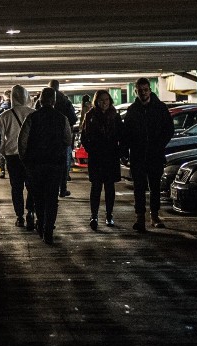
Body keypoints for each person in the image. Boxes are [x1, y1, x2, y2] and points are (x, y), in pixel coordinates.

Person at [19, 87, 72, 245]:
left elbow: (22, 141)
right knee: (51, 198)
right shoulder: (62, 118)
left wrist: (25, 160)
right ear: (54, 101)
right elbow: (68, 140)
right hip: (55, 164)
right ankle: (48, 230)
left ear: (40, 101)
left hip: (35, 164)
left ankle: (41, 225)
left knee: (38, 197)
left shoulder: (32, 117)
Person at [123, 77, 174, 231]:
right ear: (135, 91)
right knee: (138, 187)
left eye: (145, 90)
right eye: (140, 90)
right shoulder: (132, 111)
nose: (143, 93)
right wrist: (125, 152)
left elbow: (168, 130)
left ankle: (154, 215)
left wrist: (159, 145)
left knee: (155, 187)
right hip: (138, 155)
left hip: (155, 155)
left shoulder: (160, 108)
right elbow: (126, 134)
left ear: (150, 90)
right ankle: (140, 217)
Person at [81, 90, 124, 230]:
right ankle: (94, 215)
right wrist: (91, 149)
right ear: (96, 101)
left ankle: (109, 215)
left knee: (109, 187)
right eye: (100, 100)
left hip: (111, 156)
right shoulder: (90, 116)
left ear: (110, 100)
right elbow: (84, 136)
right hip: (97, 157)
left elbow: (121, 135)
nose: (103, 103)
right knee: (96, 187)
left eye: (106, 100)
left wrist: (120, 151)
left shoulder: (115, 116)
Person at [0, 85, 36, 230]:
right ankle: (30, 211)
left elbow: (0, 139)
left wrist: (4, 151)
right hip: (30, 156)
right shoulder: (33, 113)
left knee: (16, 187)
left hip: (12, 156)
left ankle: (19, 216)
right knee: (31, 185)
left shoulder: (4, 116)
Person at [45, 79, 78, 197]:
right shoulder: (65, 101)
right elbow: (73, 118)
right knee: (63, 165)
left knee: (46, 164)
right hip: (61, 138)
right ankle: (62, 189)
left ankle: (48, 188)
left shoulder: (41, 102)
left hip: (45, 139)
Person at [0, 89, 11, 179]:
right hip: (13, 135)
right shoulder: (15, 108)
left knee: (2, 153)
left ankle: (2, 170)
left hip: (2, 134)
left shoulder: (0, 111)